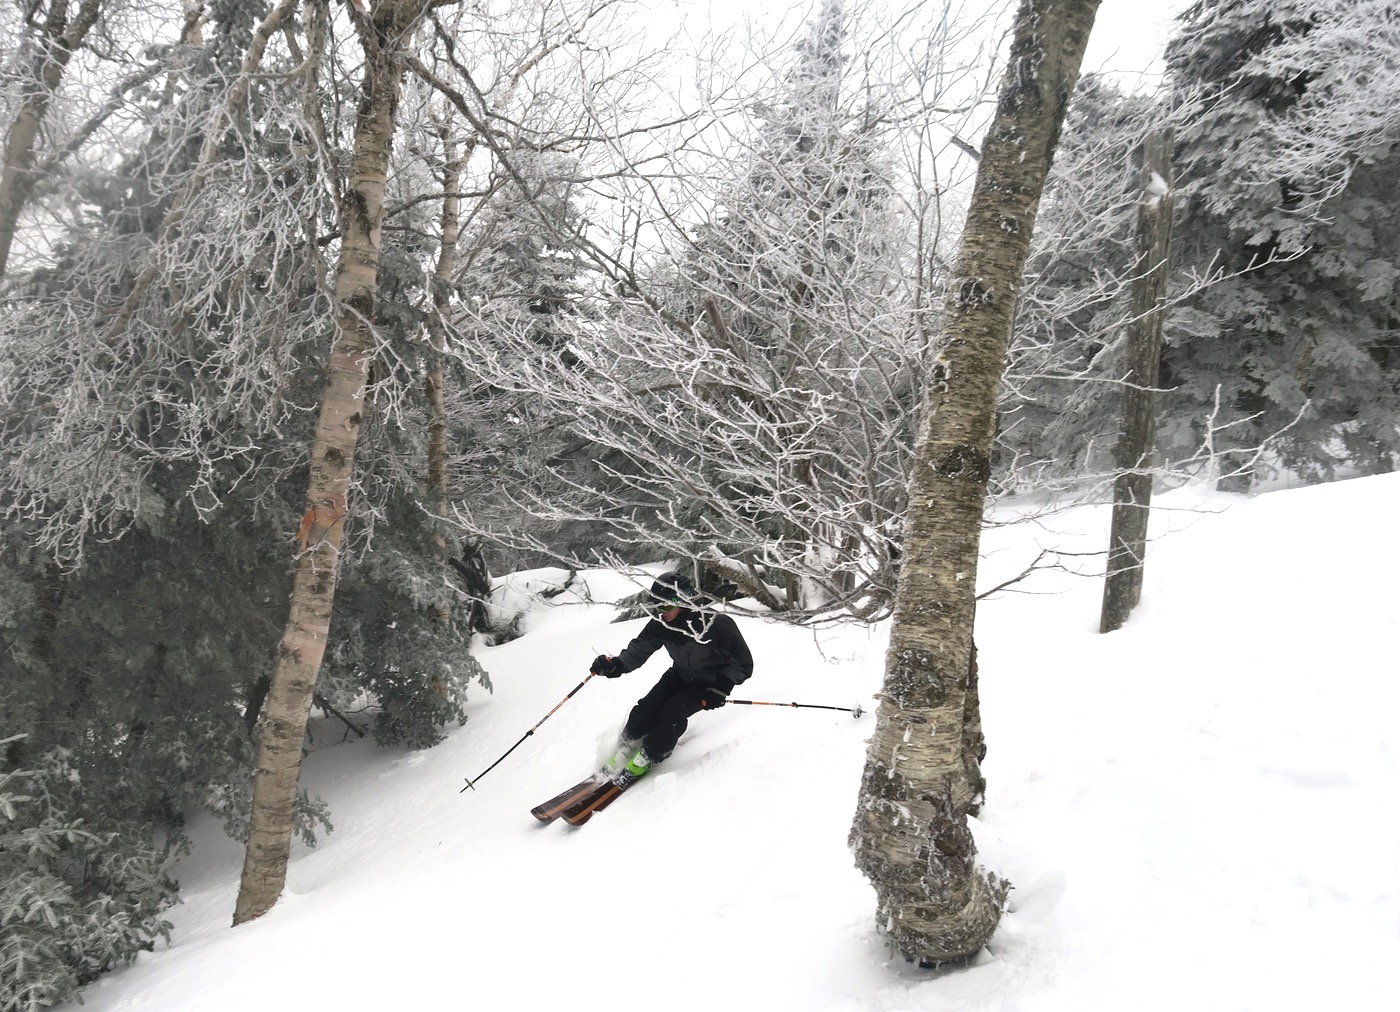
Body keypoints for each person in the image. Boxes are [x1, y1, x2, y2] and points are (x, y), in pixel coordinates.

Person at [591, 571, 753, 786]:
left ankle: (651, 754)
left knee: (673, 713)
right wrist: (615, 666)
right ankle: (626, 747)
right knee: (646, 709)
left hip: (708, 683)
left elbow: (743, 663)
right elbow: (639, 650)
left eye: (666, 606)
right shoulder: (661, 624)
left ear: (684, 601)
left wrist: (721, 687)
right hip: (679, 675)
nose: (661, 612)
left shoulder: (716, 625)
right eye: (657, 606)